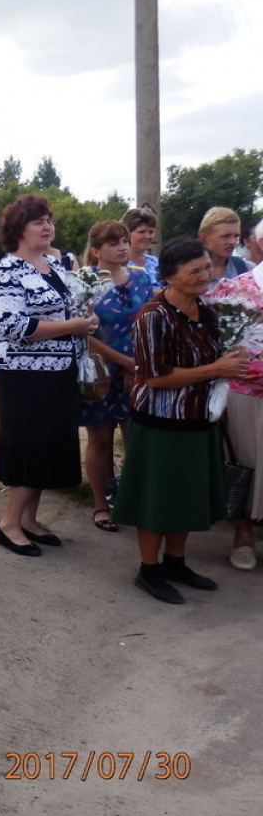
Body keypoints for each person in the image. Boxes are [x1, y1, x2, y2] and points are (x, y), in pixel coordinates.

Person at [112, 239, 243, 603]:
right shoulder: (154, 316)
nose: (205, 275)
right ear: (170, 276)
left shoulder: (209, 310)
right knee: (157, 500)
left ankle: (175, 562)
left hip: (197, 420)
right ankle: (149, 569)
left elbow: (218, 357)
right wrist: (217, 369)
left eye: (206, 267)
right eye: (195, 271)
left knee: (184, 496)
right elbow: (154, 378)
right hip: (160, 423)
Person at [0, 195, 97, 556]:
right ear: (19, 229)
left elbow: (69, 309)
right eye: (38, 221)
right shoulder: (7, 270)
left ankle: (30, 521)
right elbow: (10, 325)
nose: (47, 226)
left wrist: (85, 320)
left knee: (50, 443)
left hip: (59, 369)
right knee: (31, 445)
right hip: (25, 374)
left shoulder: (54, 265)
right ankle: (8, 523)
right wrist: (72, 325)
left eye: (49, 220)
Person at [78, 221, 153, 533]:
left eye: (124, 240)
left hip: (137, 370)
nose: (123, 246)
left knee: (135, 438)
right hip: (99, 373)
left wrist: (137, 365)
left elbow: (150, 321)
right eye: (114, 243)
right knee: (100, 438)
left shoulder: (141, 278)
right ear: (96, 251)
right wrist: (122, 362)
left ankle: (131, 498)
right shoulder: (85, 283)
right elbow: (82, 334)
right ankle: (100, 504)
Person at [210, 256, 263, 571]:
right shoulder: (236, 288)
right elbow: (215, 341)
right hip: (245, 393)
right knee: (244, 466)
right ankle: (243, 534)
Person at [200, 206, 250, 284]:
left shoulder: (246, 268)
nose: (233, 241)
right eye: (225, 236)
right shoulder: (189, 273)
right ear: (204, 238)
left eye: (236, 236)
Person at [122, 206, 160, 287]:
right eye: (141, 232)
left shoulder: (156, 263)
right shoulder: (118, 265)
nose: (147, 236)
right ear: (127, 233)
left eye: (151, 232)